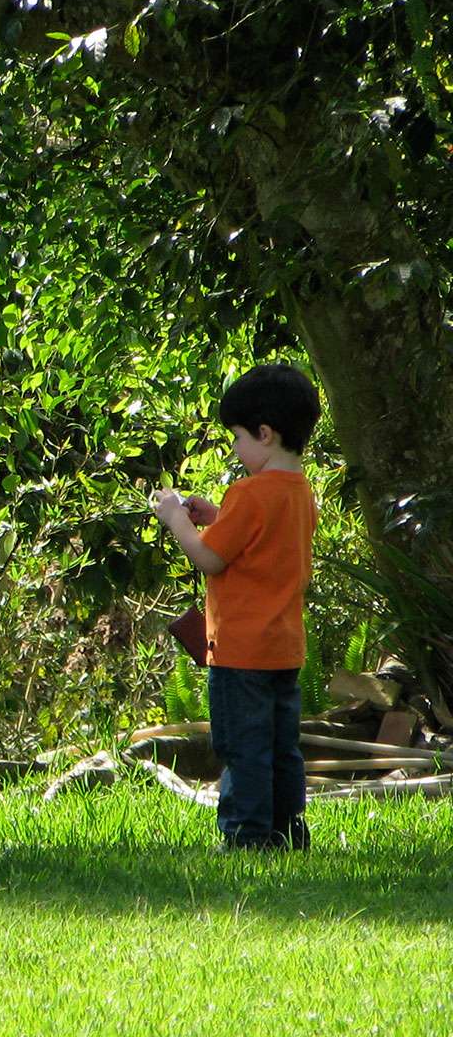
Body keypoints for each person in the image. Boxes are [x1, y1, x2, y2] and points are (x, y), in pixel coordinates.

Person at [151, 362, 320, 850]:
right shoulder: (300, 492)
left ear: (265, 434)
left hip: (239, 652)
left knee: (241, 748)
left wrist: (177, 521)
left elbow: (210, 557)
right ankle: (288, 833)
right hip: (283, 647)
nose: (237, 450)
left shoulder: (248, 492)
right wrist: (218, 516)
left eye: (239, 438)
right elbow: (266, 544)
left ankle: (245, 837)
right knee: (281, 749)